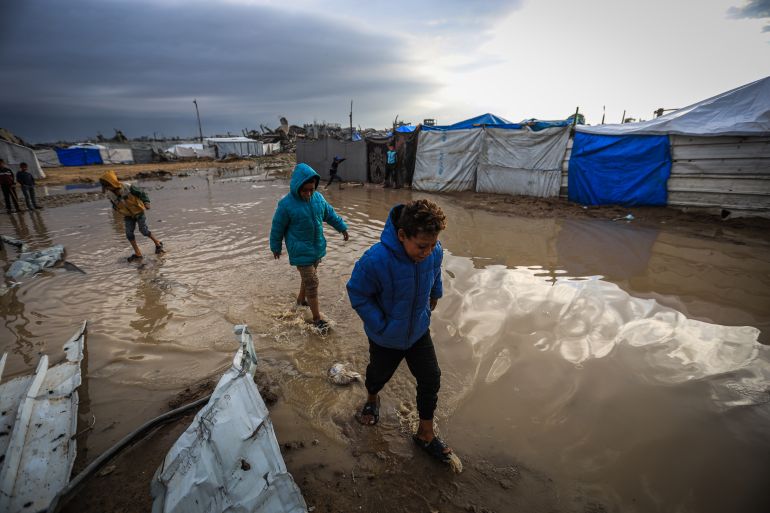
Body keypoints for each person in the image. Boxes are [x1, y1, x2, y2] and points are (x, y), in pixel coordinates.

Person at [346, 199, 453, 464]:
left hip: (418, 331)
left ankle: (425, 433)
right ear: (402, 235)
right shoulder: (375, 260)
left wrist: (435, 294)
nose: (428, 251)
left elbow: (435, 272)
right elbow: (357, 292)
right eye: (422, 246)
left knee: (431, 378)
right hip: (385, 337)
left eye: (432, 244)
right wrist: (380, 325)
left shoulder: (434, 251)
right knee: (378, 375)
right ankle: (372, 399)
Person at [270, 163, 349, 333]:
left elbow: (330, 215)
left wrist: (342, 227)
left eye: (311, 190)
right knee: (312, 282)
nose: (308, 193)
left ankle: (300, 301)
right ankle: (317, 319)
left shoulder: (318, 199)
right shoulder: (286, 204)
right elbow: (277, 227)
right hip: (299, 250)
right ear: (297, 187)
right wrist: (275, 246)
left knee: (308, 278)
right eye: (304, 190)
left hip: (316, 247)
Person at [99, 170, 164, 262]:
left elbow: (141, 193)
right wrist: (117, 210)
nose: (107, 188)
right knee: (129, 234)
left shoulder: (127, 187)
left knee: (144, 231)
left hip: (138, 212)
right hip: (128, 215)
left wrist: (146, 202)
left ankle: (158, 243)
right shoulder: (110, 194)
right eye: (105, 187)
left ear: (112, 183)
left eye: (107, 186)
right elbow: (114, 204)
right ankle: (138, 253)